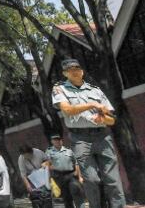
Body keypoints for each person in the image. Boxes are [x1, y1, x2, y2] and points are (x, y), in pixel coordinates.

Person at [51, 58, 125, 208]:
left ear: (82, 71)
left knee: (113, 179)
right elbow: (67, 110)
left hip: (103, 136)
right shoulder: (60, 89)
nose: (75, 71)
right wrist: (91, 104)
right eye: (70, 69)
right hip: (80, 138)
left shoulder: (95, 90)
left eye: (77, 68)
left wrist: (103, 119)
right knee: (91, 179)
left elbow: (112, 119)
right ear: (65, 73)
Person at [46, 134, 84, 208]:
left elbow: (76, 163)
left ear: (61, 141)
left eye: (59, 140)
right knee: (66, 197)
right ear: (52, 142)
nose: (57, 141)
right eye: (55, 140)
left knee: (76, 191)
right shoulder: (49, 152)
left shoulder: (69, 151)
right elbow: (47, 163)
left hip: (71, 175)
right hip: (58, 176)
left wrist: (79, 176)